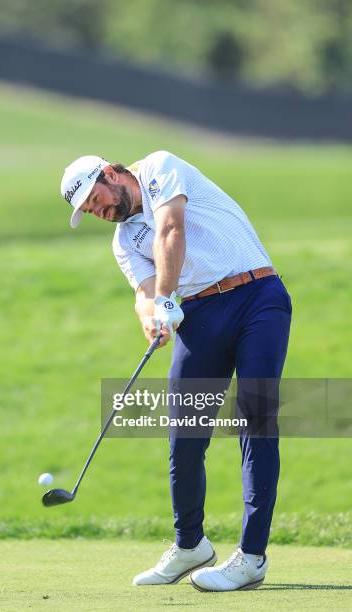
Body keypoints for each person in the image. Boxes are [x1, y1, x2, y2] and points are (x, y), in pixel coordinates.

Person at [60, 151, 292, 592]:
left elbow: (170, 229)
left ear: (110, 173)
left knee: (256, 420)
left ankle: (252, 557)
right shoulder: (124, 241)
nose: (100, 212)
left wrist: (166, 298)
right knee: (184, 435)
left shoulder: (160, 168)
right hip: (201, 315)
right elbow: (145, 294)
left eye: (96, 199)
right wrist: (152, 316)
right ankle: (190, 545)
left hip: (257, 295)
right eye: (91, 211)